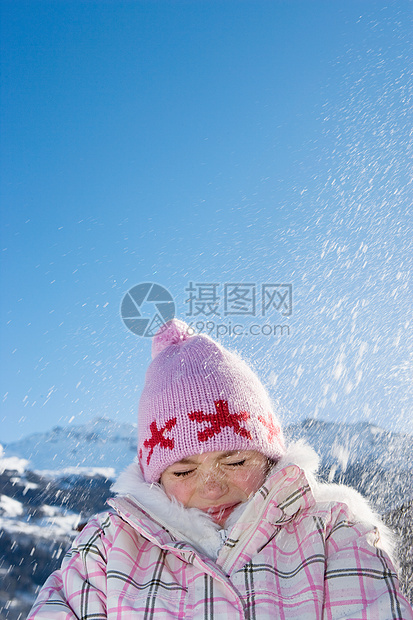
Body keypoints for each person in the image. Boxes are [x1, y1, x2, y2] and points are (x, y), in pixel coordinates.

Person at [28, 318, 413, 619]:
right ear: (155, 477)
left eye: (235, 461)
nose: (211, 488)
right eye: (183, 471)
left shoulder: (331, 533)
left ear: (269, 456)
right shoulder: (110, 549)